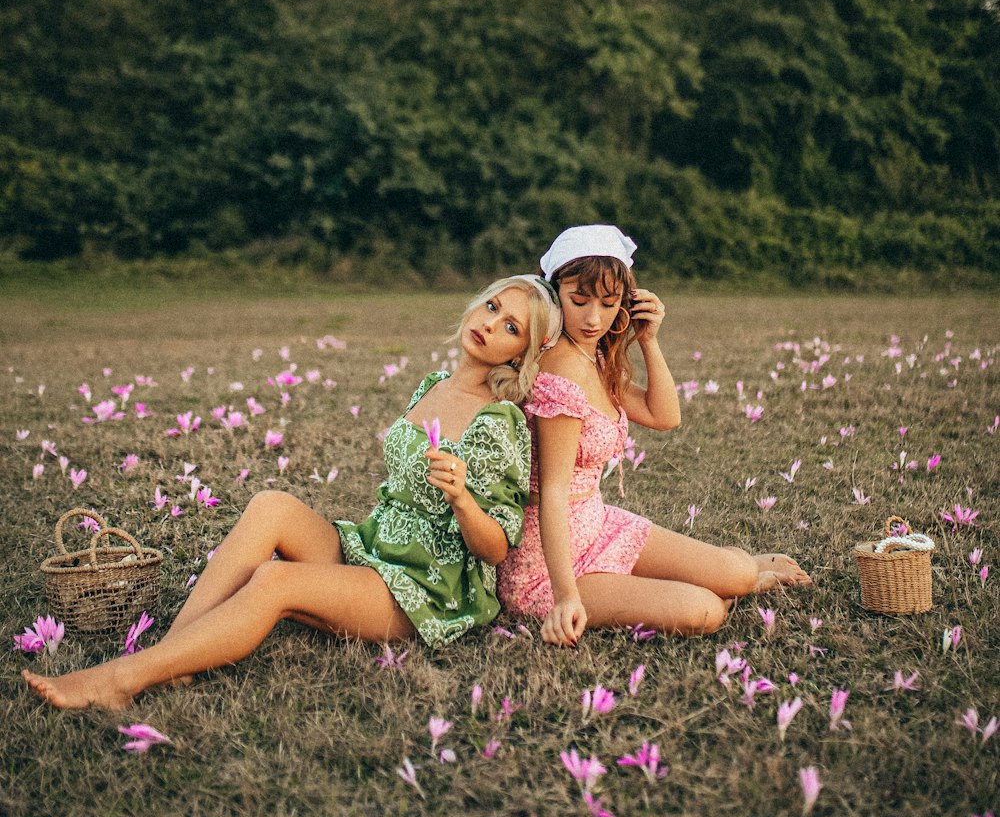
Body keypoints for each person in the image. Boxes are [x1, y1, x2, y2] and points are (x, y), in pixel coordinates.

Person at [23, 276, 563, 711]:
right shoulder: (432, 386)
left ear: (520, 354)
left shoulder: (500, 422)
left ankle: (124, 678)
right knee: (271, 506)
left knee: (274, 580)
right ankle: (176, 654)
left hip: (425, 590)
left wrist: (463, 498)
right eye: (491, 307)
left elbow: (495, 549)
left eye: (511, 326)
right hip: (373, 550)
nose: (490, 324)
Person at [497, 225, 811, 645]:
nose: (593, 318)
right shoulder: (561, 369)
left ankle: (740, 574)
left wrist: (648, 339)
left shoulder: (593, 358)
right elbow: (551, 493)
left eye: (609, 304)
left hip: (596, 524)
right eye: (578, 300)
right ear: (554, 295)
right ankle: (720, 584)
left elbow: (664, 416)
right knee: (705, 610)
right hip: (549, 566)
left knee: (736, 573)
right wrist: (566, 596)